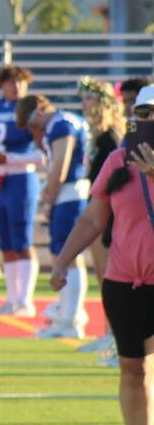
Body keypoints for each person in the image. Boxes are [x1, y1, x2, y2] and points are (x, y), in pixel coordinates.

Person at [49, 84, 154, 425]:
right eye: (143, 113)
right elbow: (93, 219)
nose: (149, 121)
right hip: (125, 280)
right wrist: (62, 261)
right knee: (133, 369)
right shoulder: (117, 161)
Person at [17, 94, 91, 339]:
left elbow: (60, 165)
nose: (33, 132)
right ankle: (70, 312)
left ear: (39, 113)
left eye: (32, 126)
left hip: (70, 193)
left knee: (66, 255)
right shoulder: (64, 121)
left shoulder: (60, 124)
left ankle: (70, 320)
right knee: (65, 254)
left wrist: (48, 199)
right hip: (72, 192)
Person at [0, 65, 40, 317]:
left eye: (20, 82)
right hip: (0, 181)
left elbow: (44, 154)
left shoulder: (33, 108)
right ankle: (11, 299)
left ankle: (25, 300)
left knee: (22, 239)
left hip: (22, 177)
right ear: (2, 84)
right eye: (11, 82)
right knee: (6, 241)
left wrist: (9, 158)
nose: (16, 86)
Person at [79, 78, 126, 359]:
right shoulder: (97, 135)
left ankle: (117, 337)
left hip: (107, 214)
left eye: (89, 99)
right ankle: (108, 332)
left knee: (109, 278)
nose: (84, 104)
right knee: (102, 276)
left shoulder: (110, 137)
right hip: (97, 208)